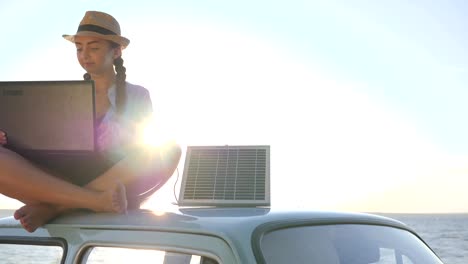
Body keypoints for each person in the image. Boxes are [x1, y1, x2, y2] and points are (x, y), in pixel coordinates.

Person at [0, 11, 181, 233]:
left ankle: (56, 207)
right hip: (66, 175)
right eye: (79, 48)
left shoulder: (137, 95)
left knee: (169, 149)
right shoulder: (65, 96)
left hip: (113, 176)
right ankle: (93, 201)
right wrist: (10, 140)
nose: (84, 55)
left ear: (116, 52)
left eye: (93, 48)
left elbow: (143, 151)